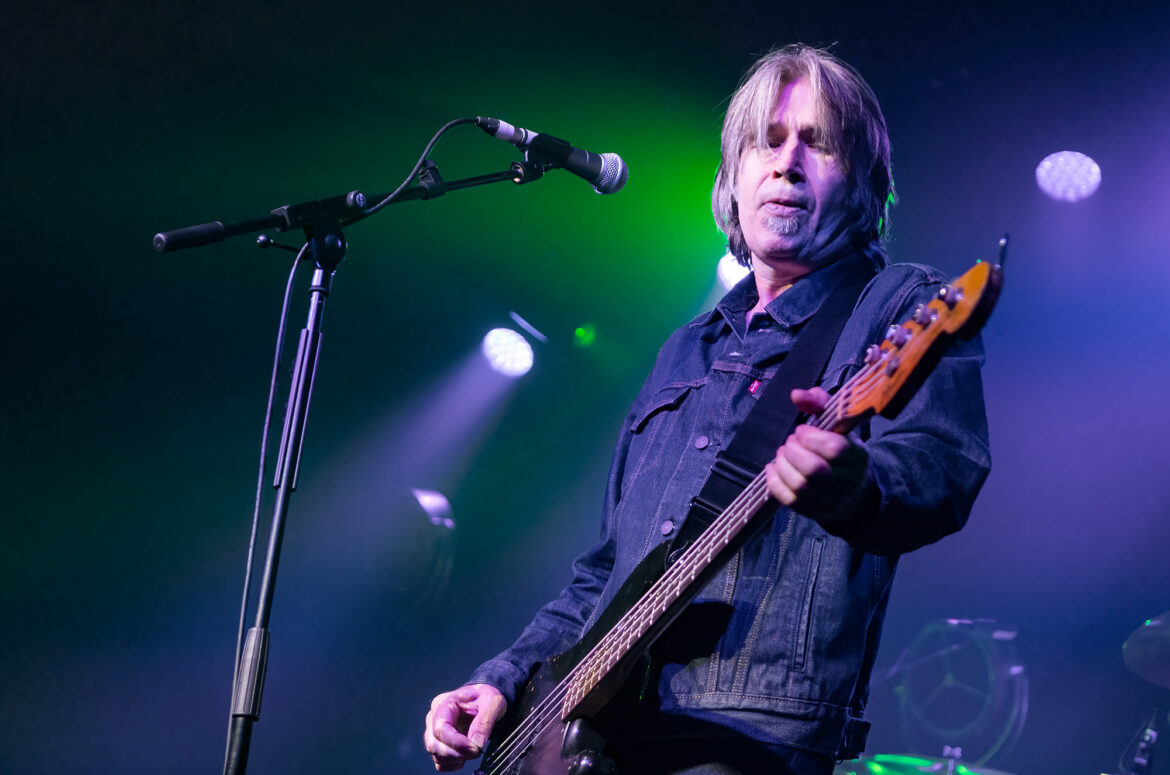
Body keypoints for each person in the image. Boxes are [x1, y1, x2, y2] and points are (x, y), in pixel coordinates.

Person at [424, 44, 990, 775]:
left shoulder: (901, 306)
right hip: (599, 737)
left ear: (862, 183)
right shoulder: (684, 350)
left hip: (749, 737)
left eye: (818, 144)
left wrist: (857, 481)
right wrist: (503, 679)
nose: (787, 163)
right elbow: (604, 575)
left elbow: (942, 467)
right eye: (767, 142)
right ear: (732, 177)